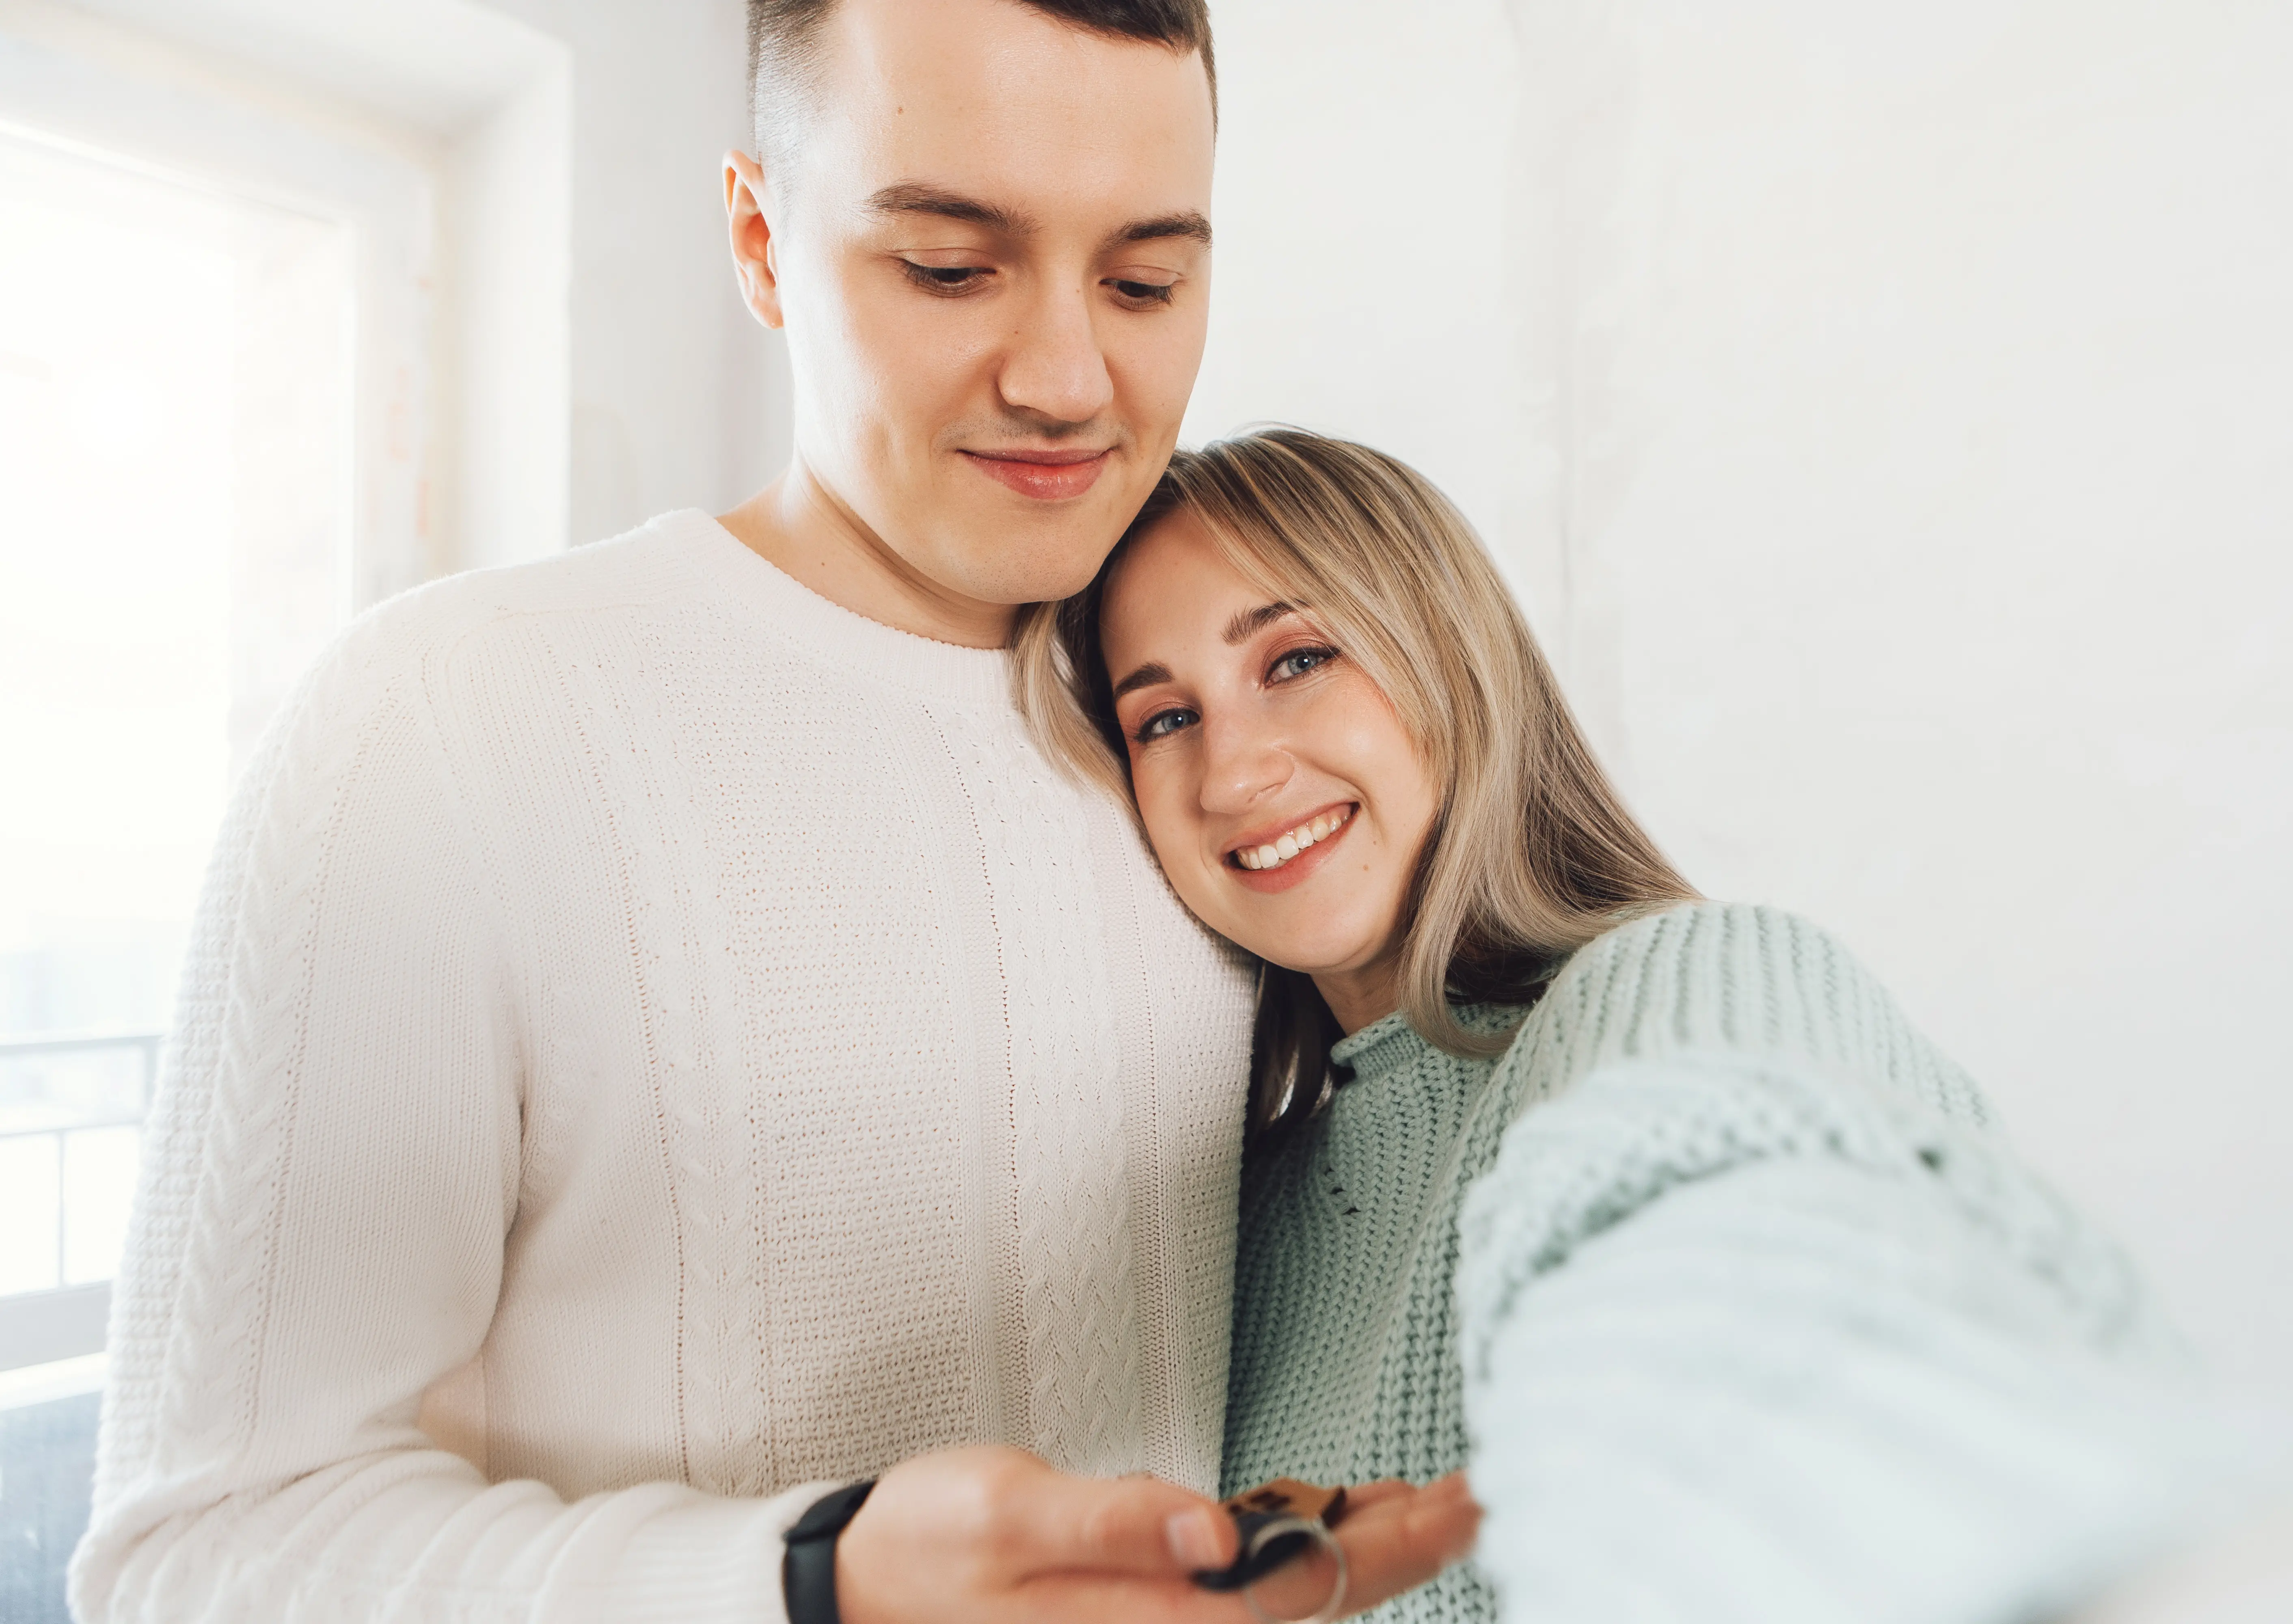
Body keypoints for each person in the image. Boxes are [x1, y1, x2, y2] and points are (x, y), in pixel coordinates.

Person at [70, 6, 1473, 1622]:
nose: (1069, 380)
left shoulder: (1201, 751)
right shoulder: (442, 721)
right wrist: (808, 1582)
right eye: (951, 269)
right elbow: (192, 1559)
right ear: (759, 241)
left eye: (1147, 281)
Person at [1019, 427, 2247, 1623]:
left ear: (1449, 659)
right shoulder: (1225, 1233)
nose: (1233, 774)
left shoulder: (1694, 982)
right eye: (1163, 719)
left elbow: (1747, 1297)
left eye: (1296, 661)